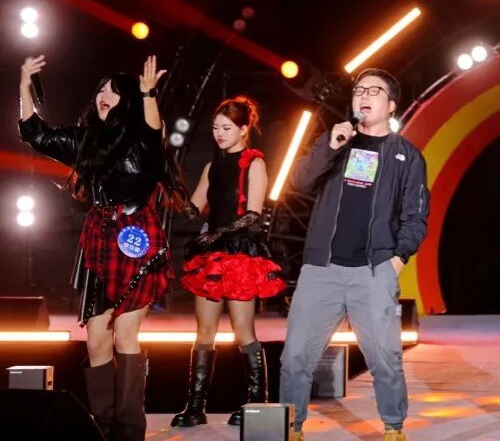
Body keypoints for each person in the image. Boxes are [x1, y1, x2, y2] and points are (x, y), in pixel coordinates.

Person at [18, 54, 184, 441]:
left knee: (126, 334)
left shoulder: (144, 138)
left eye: (113, 91)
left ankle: (129, 431)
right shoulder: (87, 140)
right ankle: (105, 429)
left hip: (137, 239)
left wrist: (148, 94)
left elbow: (154, 132)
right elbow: (36, 134)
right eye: (100, 90)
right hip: (100, 241)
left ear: (128, 100)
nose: (103, 96)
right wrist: (24, 85)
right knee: (95, 341)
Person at [279, 68, 428, 441]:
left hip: (373, 270)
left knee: (386, 359)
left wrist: (397, 259)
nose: (364, 96)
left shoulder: (407, 156)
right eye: (359, 90)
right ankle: (291, 427)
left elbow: (415, 216)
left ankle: (393, 427)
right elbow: (299, 182)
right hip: (322, 268)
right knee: (295, 356)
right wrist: (330, 146)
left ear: (391, 105)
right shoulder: (335, 142)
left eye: (374, 91)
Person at [171, 96, 286, 427]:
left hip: (239, 254)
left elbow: (253, 214)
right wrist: (171, 187)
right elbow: (193, 209)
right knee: (204, 332)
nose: (219, 134)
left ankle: (258, 402)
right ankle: (195, 407)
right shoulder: (212, 166)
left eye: (226, 128)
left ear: (244, 129)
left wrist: (216, 235)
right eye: (215, 128)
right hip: (212, 256)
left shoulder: (254, 163)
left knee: (242, 330)